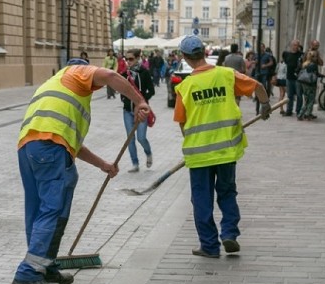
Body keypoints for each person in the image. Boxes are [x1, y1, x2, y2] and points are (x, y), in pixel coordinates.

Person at [13, 58, 150, 284]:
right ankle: (29, 272)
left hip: (30, 149)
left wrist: (103, 165)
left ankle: (45, 266)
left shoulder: (53, 86)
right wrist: (139, 100)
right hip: (49, 149)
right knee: (51, 211)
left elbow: (72, 144)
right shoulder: (76, 73)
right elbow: (110, 76)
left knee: (39, 210)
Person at [173, 35, 270, 259]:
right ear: (205, 52)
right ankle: (229, 234)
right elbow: (258, 86)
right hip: (226, 150)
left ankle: (209, 245)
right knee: (227, 193)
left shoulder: (185, 87)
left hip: (199, 155)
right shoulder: (226, 75)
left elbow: (182, 123)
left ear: (185, 58)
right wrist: (264, 105)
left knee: (201, 199)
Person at [121, 48, 155, 172]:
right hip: (127, 111)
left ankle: (148, 152)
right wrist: (125, 100)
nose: (128, 61)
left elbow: (151, 90)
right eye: (126, 59)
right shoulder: (125, 74)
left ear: (137, 58)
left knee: (141, 137)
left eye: (131, 59)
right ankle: (135, 164)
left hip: (141, 111)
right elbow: (121, 89)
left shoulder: (144, 72)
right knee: (130, 138)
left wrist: (142, 102)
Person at [282, 39, 304, 117]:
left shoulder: (301, 55)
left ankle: (298, 111)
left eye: (297, 45)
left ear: (298, 46)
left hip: (298, 78)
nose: (295, 47)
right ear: (291, 46)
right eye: (294, 45)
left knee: (299, 95)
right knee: (289, 95)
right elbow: (285, 62)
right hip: (289, 77)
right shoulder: (287, 54)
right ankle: (289, 110)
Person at [298, 49, 319, 120]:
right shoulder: (314, 65)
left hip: (304, 83)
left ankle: (301, 114)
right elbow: (316, 74)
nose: (317, 58)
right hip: (311, 84)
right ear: (313, 57)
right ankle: (307, 114)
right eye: (316, 56)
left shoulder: (305, 64)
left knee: (306, 100)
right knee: (311, 100)